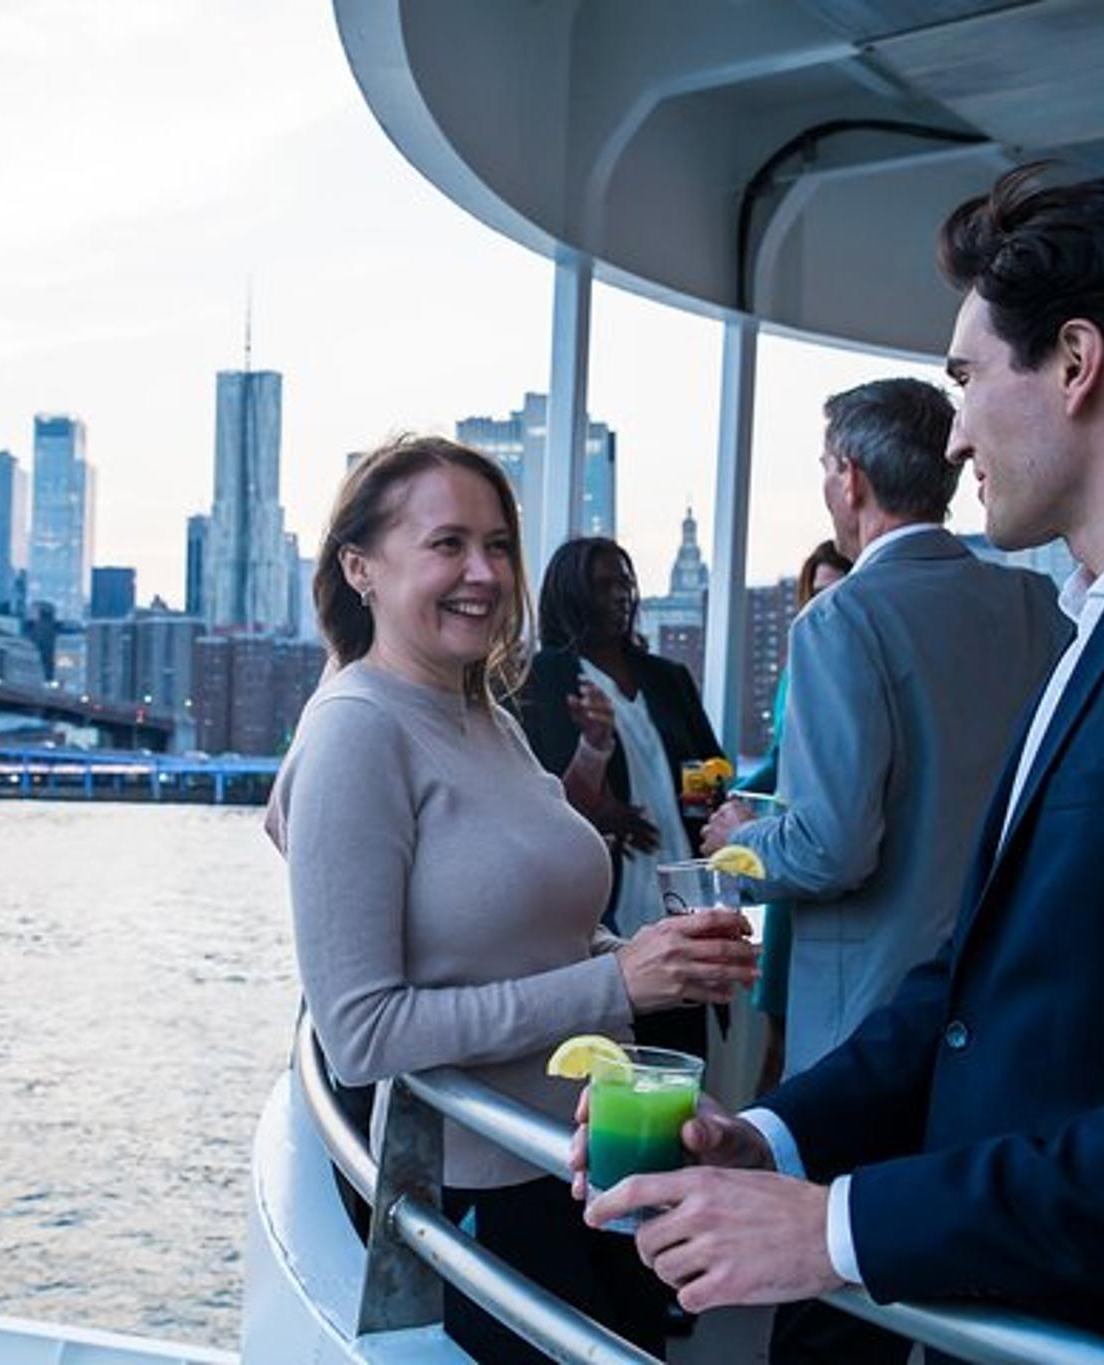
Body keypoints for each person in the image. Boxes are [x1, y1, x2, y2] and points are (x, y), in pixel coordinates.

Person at [576, 165, 1104, 1362]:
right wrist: (770, 1139)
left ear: (1077, 363)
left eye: (966, 376)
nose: (952, 431)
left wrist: (837, 1228)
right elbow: (967, 991)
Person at [270, 435, 757, 1364]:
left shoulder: (482, 713)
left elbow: (536, 927)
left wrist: (648, 952)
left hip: (578, 1161)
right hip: (480, 1196)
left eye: (498, 545)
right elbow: (362, 1034)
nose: (484, 573)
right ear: (360, 567)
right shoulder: (355, 735)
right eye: (447, 544)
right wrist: (618, 986)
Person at [702, 377, 1067, 1078]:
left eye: (823, 467)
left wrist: (737, 842)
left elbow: (831, 849)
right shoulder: (1035, 604)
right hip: (1004, 1002)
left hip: (869, 1027)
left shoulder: (839, 622)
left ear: (851, 477)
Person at [518, 536, 726, 1061]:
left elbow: (709, 765)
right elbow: (531, 801)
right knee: (615, 1065)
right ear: (569, 594)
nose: (618, 595)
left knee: (682, 1064)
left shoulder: (668, 678)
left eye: (625, 582)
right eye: (602, 584)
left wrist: (702, 795)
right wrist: (606, 809)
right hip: (605, 915)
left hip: (681, 903)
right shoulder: (542, 680)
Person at [740, 540, 854, 1093]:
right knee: (778, 1023)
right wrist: (733, 803)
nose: (825, 607)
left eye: (838, 591)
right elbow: (779, 762)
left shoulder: (853, 663)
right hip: (790, 852)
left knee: (802, 1036)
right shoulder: (798, 669)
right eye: (817, 595)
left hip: (827, 854)